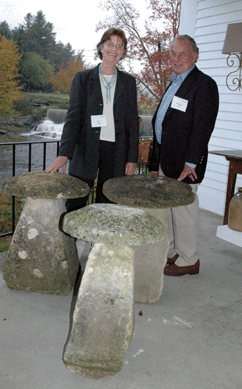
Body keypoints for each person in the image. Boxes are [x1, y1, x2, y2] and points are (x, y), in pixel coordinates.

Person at [45, 27, 139, 211]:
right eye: (110, 44)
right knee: (75, 201)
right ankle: (70, 239)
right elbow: (73, 118)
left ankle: (100, 241)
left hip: (116, 152)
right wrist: (64, 153)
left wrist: (132, 157)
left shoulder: (128, 82)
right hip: (86, 147)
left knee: (108, 204)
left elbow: (132, 123)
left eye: (119, 46)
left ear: (123, 52)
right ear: (101, 47)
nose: (114, 49)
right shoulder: (83, 78)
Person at [150, 34, 219, 276]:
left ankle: (189, 258)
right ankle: (171, 252)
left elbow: (203, 126)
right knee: (169, 209)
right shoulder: (175, 82)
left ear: (194, 56)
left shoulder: (203, 84)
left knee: (184, 210)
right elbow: (164, 122)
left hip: (185, 164)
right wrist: (154, 160)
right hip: (167, 160)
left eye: (182, 54)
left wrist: (191, 161)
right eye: (172, 53)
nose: (176, 58)